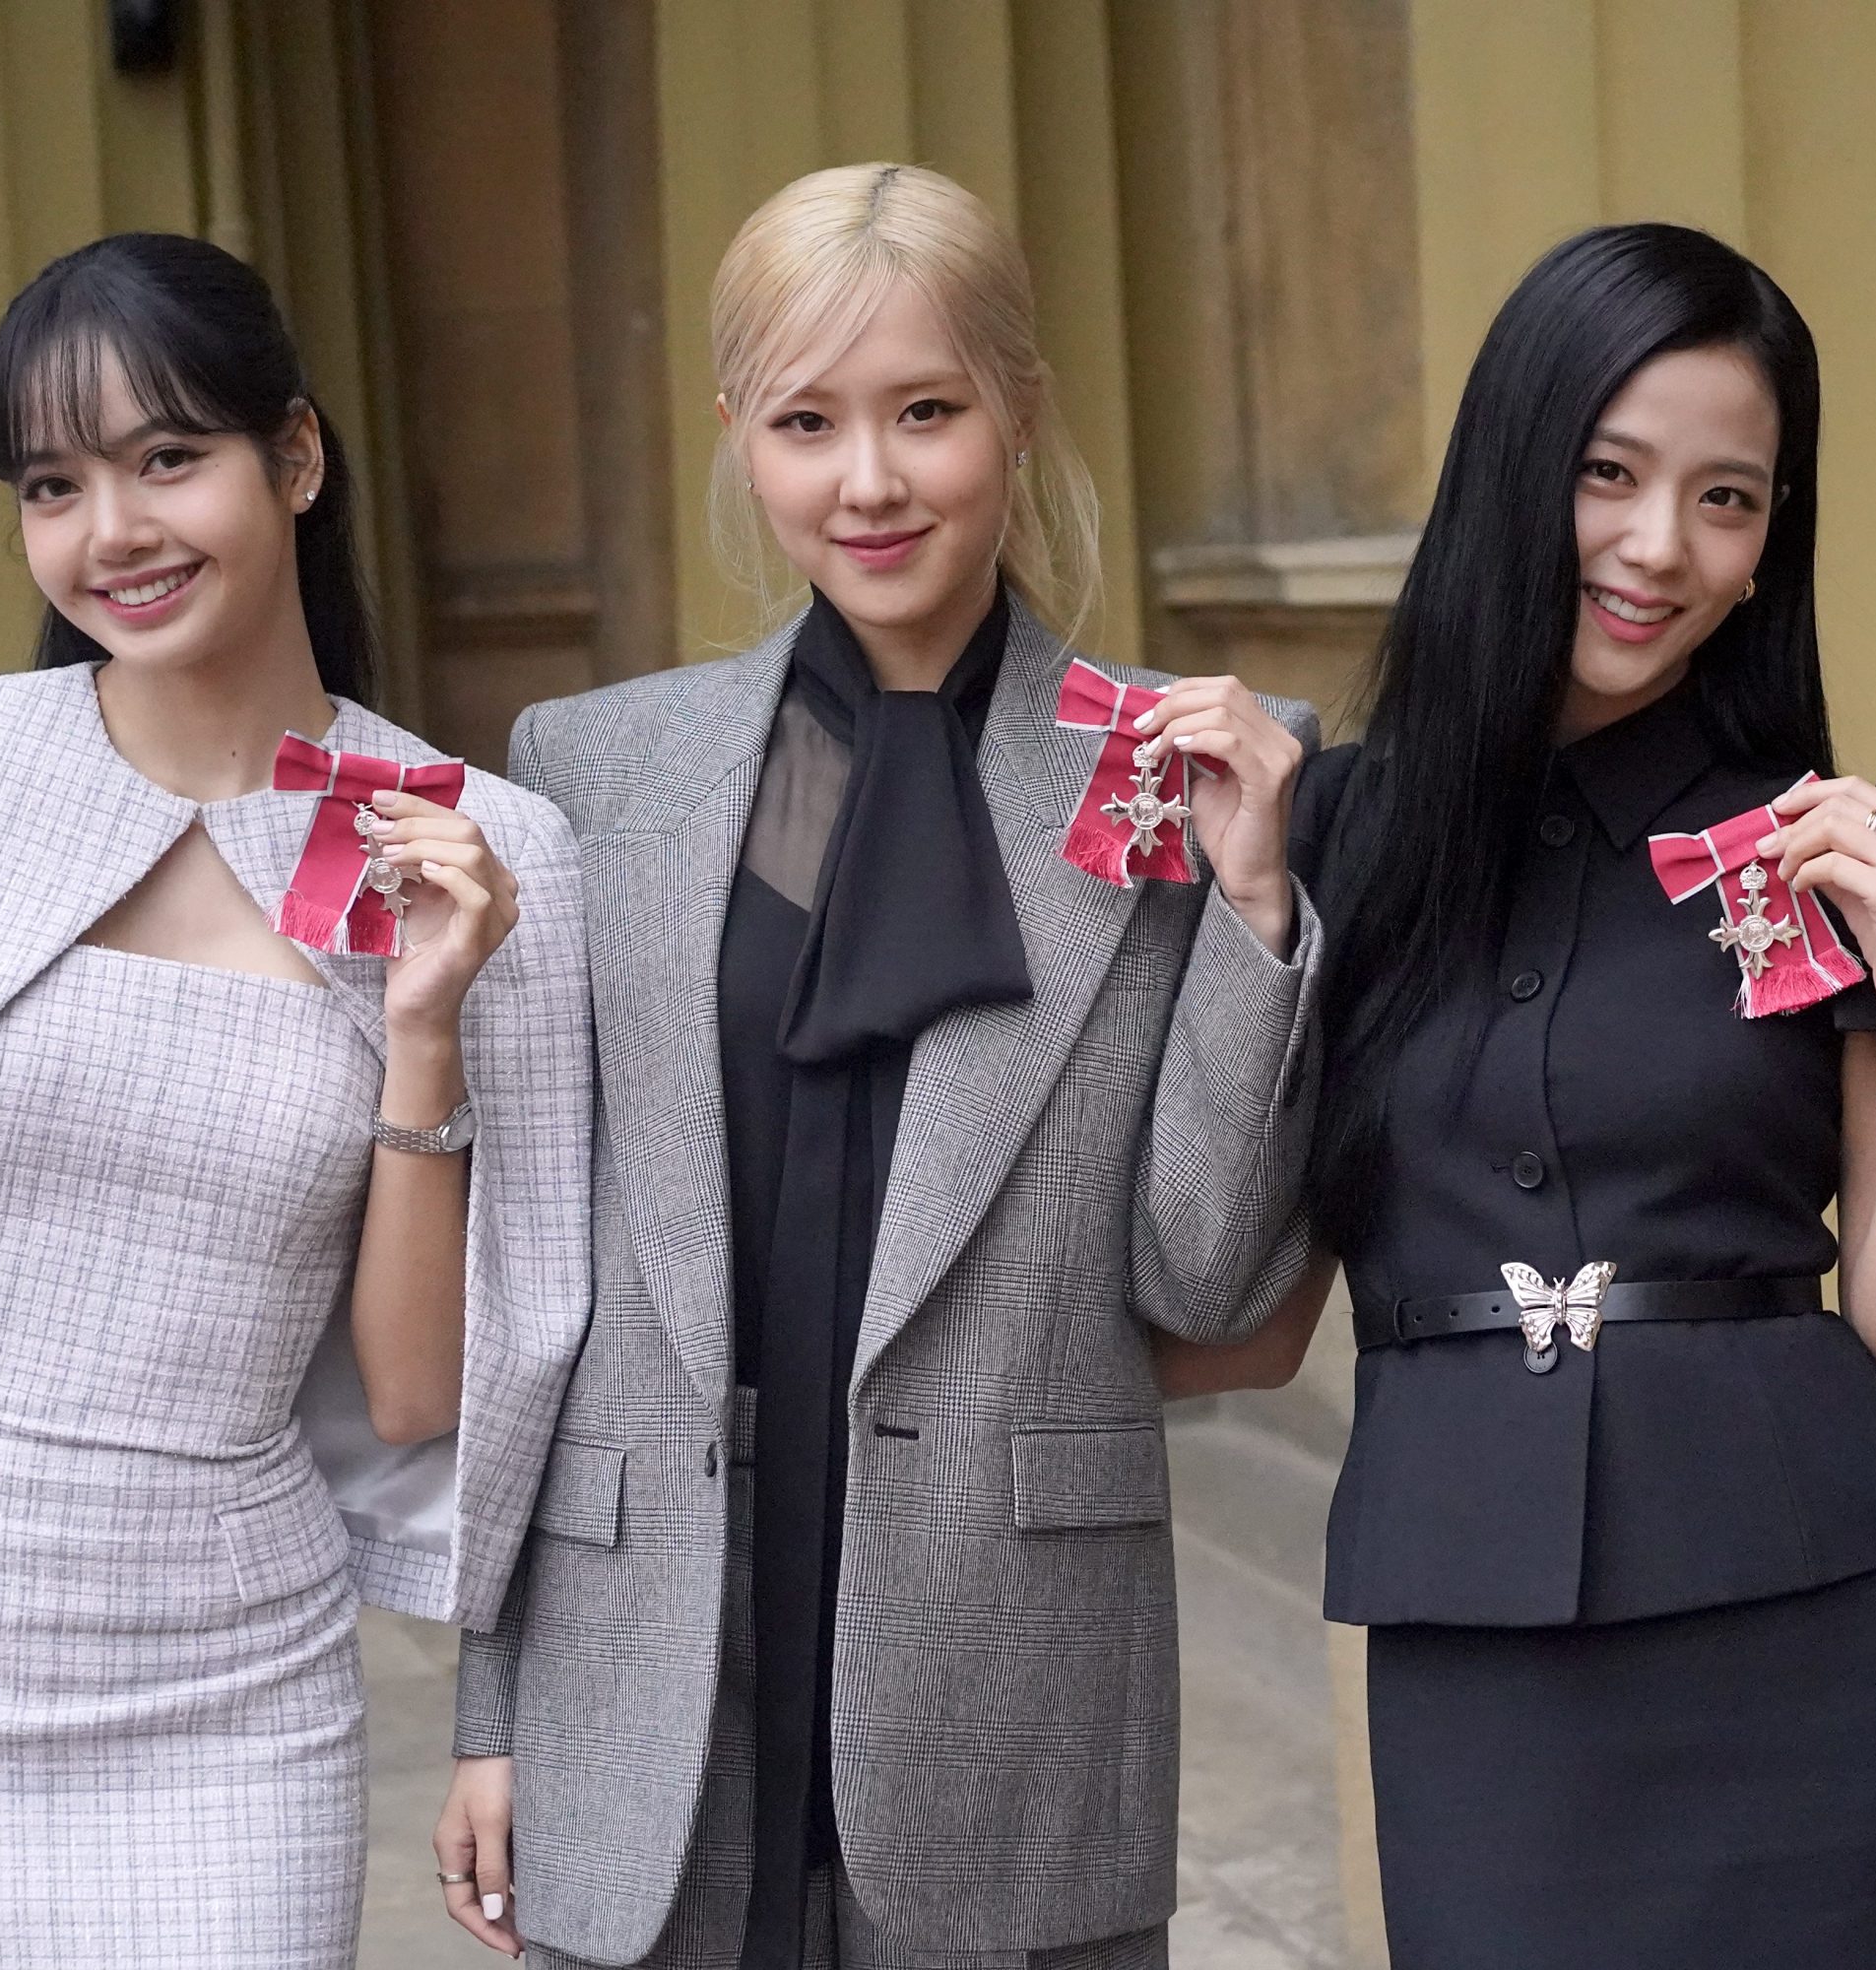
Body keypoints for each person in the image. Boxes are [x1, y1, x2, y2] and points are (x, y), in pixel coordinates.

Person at [433, 163, 1320, 1970]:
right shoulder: (597, 772)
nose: (869, 481)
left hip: (1014, 1678)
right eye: (806, 422)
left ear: (1020, 408)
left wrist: (1253, 911)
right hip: (651, 1655)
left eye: (927, 411)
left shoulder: (1190, 776)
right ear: (736, 436)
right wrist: (490, 1704)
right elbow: (540, 1296)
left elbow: (1208, 1281)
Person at [1194, 222, 1876, 1968]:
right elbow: (1238, 1298)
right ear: (1515, 468)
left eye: (1727, 500)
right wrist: (1255, 922)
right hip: (1481, 1645)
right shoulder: (1331, 835)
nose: (1660, 546)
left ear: (1770, 542)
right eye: (1609, 473)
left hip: (1834, 1636)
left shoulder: (1834, 854)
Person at [0, 232, 590, 1969]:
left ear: (297, 457)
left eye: (167, 457)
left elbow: (420, 1394)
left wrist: (423, 1031)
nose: (112, 532)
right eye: (52, 485)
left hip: (231, 1698)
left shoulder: (483, 853)